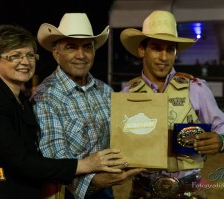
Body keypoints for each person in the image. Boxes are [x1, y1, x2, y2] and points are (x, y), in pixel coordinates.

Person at [0, 24, 128, 199]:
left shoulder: (19, 99)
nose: (25, 61)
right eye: (14, 56)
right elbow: (23, 161)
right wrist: (86, 165)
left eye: (30, 55)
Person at [119, 10, 224, 199]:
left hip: (189, 191)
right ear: (142, 50)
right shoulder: (127, 95)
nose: (164, 57)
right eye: (156, 48)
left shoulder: (196, 88)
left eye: (170, 49)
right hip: (143, 191)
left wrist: (221, 141)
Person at [33, 13, 145, 199]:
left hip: (105, 189)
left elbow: (124, 136)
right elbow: (55, 158)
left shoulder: (105, 91)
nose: (81, 55)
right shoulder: (46, 96)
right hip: (65, 192)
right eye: (71, 47)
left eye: (87, 47)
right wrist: (94, 182)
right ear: (56, 52)